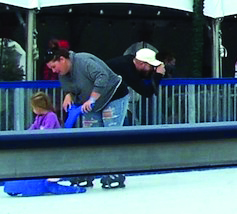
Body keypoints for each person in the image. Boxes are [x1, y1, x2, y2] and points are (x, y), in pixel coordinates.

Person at [44, 40, 131, 189]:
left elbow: (102, 76)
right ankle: (87, 171)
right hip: (89, 102)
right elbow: (71, 88)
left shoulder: (83, 61)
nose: (53, 71)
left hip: (113, 96)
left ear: (62, 60)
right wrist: (69, 95)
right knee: (90, 136)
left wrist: (92, 99)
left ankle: (114, 172)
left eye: (53, 66)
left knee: (110, 135)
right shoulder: (63, 73)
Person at [106, 48, 166, 126]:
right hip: (107, 99)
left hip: (103, 96)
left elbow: (142, 76)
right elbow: (146, 92)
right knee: (116, 127)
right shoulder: (127, 70)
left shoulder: (129, 61)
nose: (152, 69)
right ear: (142, 63)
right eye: (151, 66)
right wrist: (158, 74)